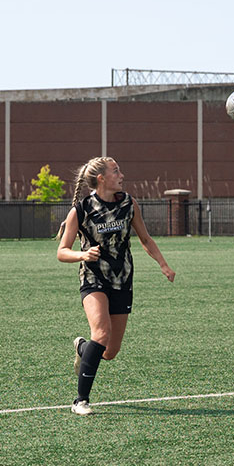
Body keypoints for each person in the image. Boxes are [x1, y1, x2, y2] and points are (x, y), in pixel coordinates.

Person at [56, 157, 175, 416]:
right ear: (101, 178)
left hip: (122, 278)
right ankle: (80, 401)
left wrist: (163, 265)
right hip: (93, 278)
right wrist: (83, 255)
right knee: (100, 332)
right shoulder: (82, 209)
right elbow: (62, 251)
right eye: (116, 170)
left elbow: (145, 238)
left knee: (110, 352)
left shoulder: (129, 204)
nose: (121, 174)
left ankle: (82, 348)